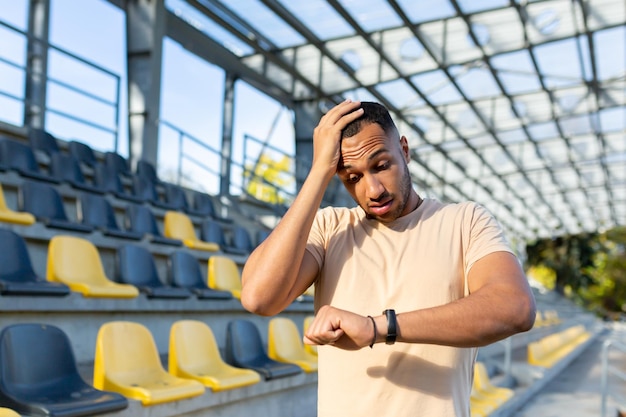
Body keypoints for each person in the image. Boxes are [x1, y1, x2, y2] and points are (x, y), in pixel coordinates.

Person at [241, 100, 536, 417]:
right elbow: (259, 298)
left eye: (381, 165)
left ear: (404, 150)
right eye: (352, 177)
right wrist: (318, 173)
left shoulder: (465, 221)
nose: (373, 189)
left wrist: (380, 327)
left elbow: (515, 307)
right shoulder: (330, 228)